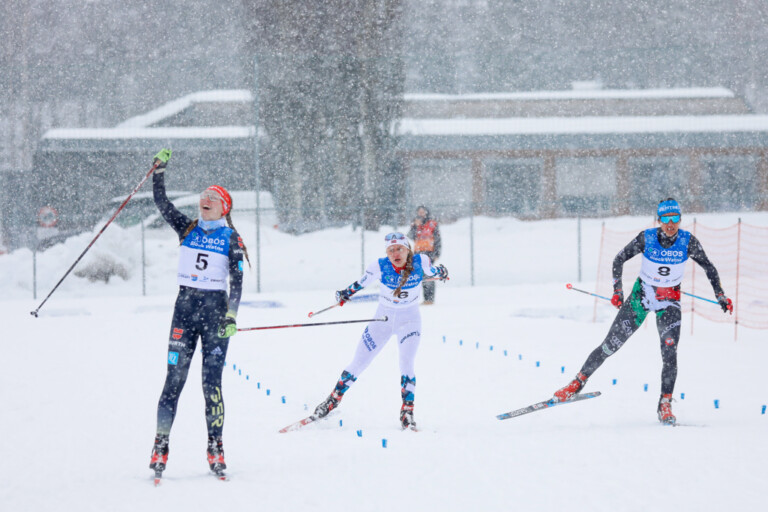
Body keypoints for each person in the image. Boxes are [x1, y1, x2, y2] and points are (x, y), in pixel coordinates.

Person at [551, 198, 733, 425]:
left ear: (680, 219)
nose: (670, 223)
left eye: (675, 218)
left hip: (669, 303)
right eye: (665, 218)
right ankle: (576, 383)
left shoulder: (688, 242)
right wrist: (617, 290)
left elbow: (709, 267)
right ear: (659, 220)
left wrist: (720, 295)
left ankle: (664, 403)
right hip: (641, 298)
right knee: (609, 346)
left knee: (669, 351)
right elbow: (619, 258)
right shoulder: (647, 238)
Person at [147, 149, 250, 479]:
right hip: (184, 313)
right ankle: (160, 444)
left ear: (224, 207)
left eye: (212, 198)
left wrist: (232, 315)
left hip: (215, 316)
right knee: (173, 380)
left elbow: (237, 282)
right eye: (202, 197)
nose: (204, 200)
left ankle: (215, 445)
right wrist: (159, 171)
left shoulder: (230, 237)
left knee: (211, 384)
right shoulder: (187, 227)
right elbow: (162, 204)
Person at [311, 232, 449, 430]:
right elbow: (360, 284)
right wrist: (344, 295)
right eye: (391, 250)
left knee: (407, 364)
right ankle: (332, 400)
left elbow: (433, 271)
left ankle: (407, 412)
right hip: (382, 321)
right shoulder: (379, 266)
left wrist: (441, 272)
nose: (395, 253)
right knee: (358, 363)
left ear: (407, 250)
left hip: (409, 321)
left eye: (399, 249)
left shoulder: (421, 260)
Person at [407, 205, 442, 305]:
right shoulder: (416, 224)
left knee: (428, 275)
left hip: (429, 253)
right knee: (420, 275)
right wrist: (415, 226)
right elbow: (410, 236)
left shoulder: (432, 224)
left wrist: (437, 253)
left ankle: (429, 299)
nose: (421, 214)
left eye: (423, 212)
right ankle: (422, 298)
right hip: (418, 253)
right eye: (419, 212)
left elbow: (438, 239)